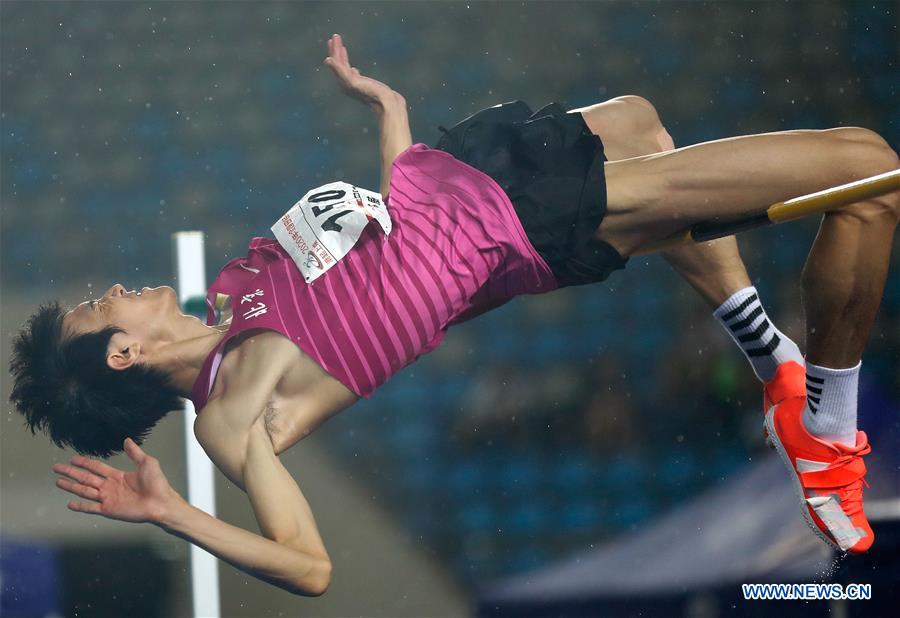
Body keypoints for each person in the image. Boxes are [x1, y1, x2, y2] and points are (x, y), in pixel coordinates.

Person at [9, 33, 898, 595]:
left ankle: (768, 355)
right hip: (529, 220)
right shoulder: (238, 405)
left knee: (638, 119)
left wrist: (391, 125)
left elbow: (385, 256)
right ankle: (821, 426)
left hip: (466, 165)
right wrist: (173, 514)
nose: (112, 290)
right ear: (122, 354)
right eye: (98, 310)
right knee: (868, 174)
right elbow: (309, 566)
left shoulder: (233, 294)